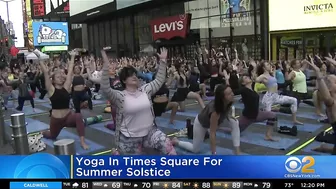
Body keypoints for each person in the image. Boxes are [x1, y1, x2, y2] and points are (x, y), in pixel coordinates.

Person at [100, 47, 176, 155]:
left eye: (135, 74)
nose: (134, 76)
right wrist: (106, 63)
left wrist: (163, 62)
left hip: (150, 132)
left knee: (168, 147)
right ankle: (117, 154)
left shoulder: (145, 90)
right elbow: (105, 88)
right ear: (124, 80)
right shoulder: (120, 96)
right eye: (130, 75)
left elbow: (159, 80)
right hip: (129, 138)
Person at [34, 49, 89, 150]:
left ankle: (82, 142)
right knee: (52, 136)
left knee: (78, 115)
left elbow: (70, 71)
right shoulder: (51, 89)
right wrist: (40, 59)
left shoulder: (66, 88)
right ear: (53, 80)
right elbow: (46, 73)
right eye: (57, 76)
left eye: (61, 76)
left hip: (68, 117)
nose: (60, 77)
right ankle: (42, 132)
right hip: (56, 120)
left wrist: (72, 56)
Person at [172, 84, 241, 155]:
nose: (232, 94)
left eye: (231, 92)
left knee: (234, 122)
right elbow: (212, 133)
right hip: (201, 124)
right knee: (195, 149)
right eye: (229, 94)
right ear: (223, 97)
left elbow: (224, 110)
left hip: (212, 121)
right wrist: (214, 153)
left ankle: (237, 151)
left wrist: (227, 116)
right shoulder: (215, 112)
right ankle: (176, 141)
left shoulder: (228, 101)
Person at [306, 57, 336, 154]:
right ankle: (324, 148)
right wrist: (318, 74)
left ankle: (324, 148)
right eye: (334, 82)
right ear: (329, 88)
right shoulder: (331, 103)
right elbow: (326, 96)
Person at [238, 74, 278, 141]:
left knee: (273, 115)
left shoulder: (253, 89)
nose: (248, 77)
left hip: (257, 114)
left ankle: (268, 135)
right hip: (248, 117)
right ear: (243, 83)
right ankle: (218, 128)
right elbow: (234, 91)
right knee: (235, 131)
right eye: (245, 77)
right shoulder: (243, 90)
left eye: (247, 76)